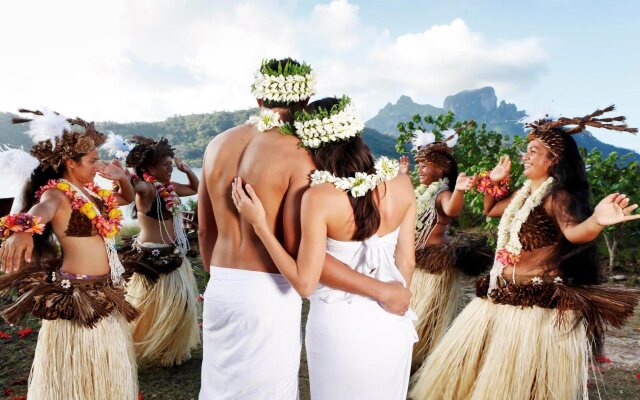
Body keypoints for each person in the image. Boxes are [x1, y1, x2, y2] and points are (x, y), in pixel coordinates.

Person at [197, 59, 411, 400]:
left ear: (258, 100)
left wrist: (221, 279)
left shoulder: (217, 145)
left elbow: (205, 231)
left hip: (221, 283)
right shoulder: (300, 154)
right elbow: (302, 251)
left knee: (220, 387)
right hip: (270, 288)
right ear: (306, 104)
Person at [410, 106, 639, 400]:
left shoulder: (557, 195)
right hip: (499, 293)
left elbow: (572, 233)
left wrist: (595, 221)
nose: (525, 155)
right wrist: (493, 184)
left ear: (553, 160)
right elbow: (491, 210)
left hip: (535, 305)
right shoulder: (523, 194)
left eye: (534, 151)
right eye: (526, 150)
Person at [0, 109, 138, 399]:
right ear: (70, 163)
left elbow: (126, 197)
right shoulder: (58, 195)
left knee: (105, 370)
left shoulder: (93, 194)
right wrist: (24, 229)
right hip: (78, 296)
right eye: (91, 161)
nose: (97, 165)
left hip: (105, 291)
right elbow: (41, 211)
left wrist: (121, 177)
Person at [398, 125, 486, 373]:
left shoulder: (443, 193)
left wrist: (458, 189)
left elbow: (451, 210)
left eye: (425, 165)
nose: (420, 169)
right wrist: (403, 176)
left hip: (433, 268)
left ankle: (420, 362)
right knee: (412, 315)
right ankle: (409, 359)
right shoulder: (422, 191)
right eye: (418, 165)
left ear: (441, 168)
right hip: (416, 264)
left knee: (426, 320)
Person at [107, 135, 200, 366]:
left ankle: (170, 347)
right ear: (150, 168)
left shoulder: (169, 188)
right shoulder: (146, 189)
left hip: (172, 253)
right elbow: (133, 187)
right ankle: (148, 343)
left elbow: (194, 188)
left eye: (171, 164)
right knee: (148, 307)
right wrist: (122, 177)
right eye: (166, 165)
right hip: (149, 257)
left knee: (179, 306)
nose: (170, 168)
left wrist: (186, 169)